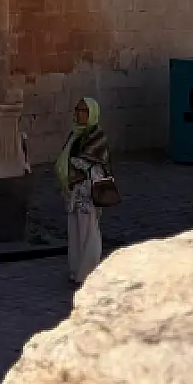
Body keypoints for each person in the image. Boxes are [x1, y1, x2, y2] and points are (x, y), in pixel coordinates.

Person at [56, 96, 111, 285]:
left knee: (89, 230)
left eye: (84, 111)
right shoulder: (75, 134)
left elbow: (94, 161)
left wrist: (74, 165)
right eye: (77, 110)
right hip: (74, 190)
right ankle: (77, 269)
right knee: (75, 229)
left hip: (88, 189)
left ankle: (89, 271)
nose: (79, 114)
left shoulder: (97, 136)